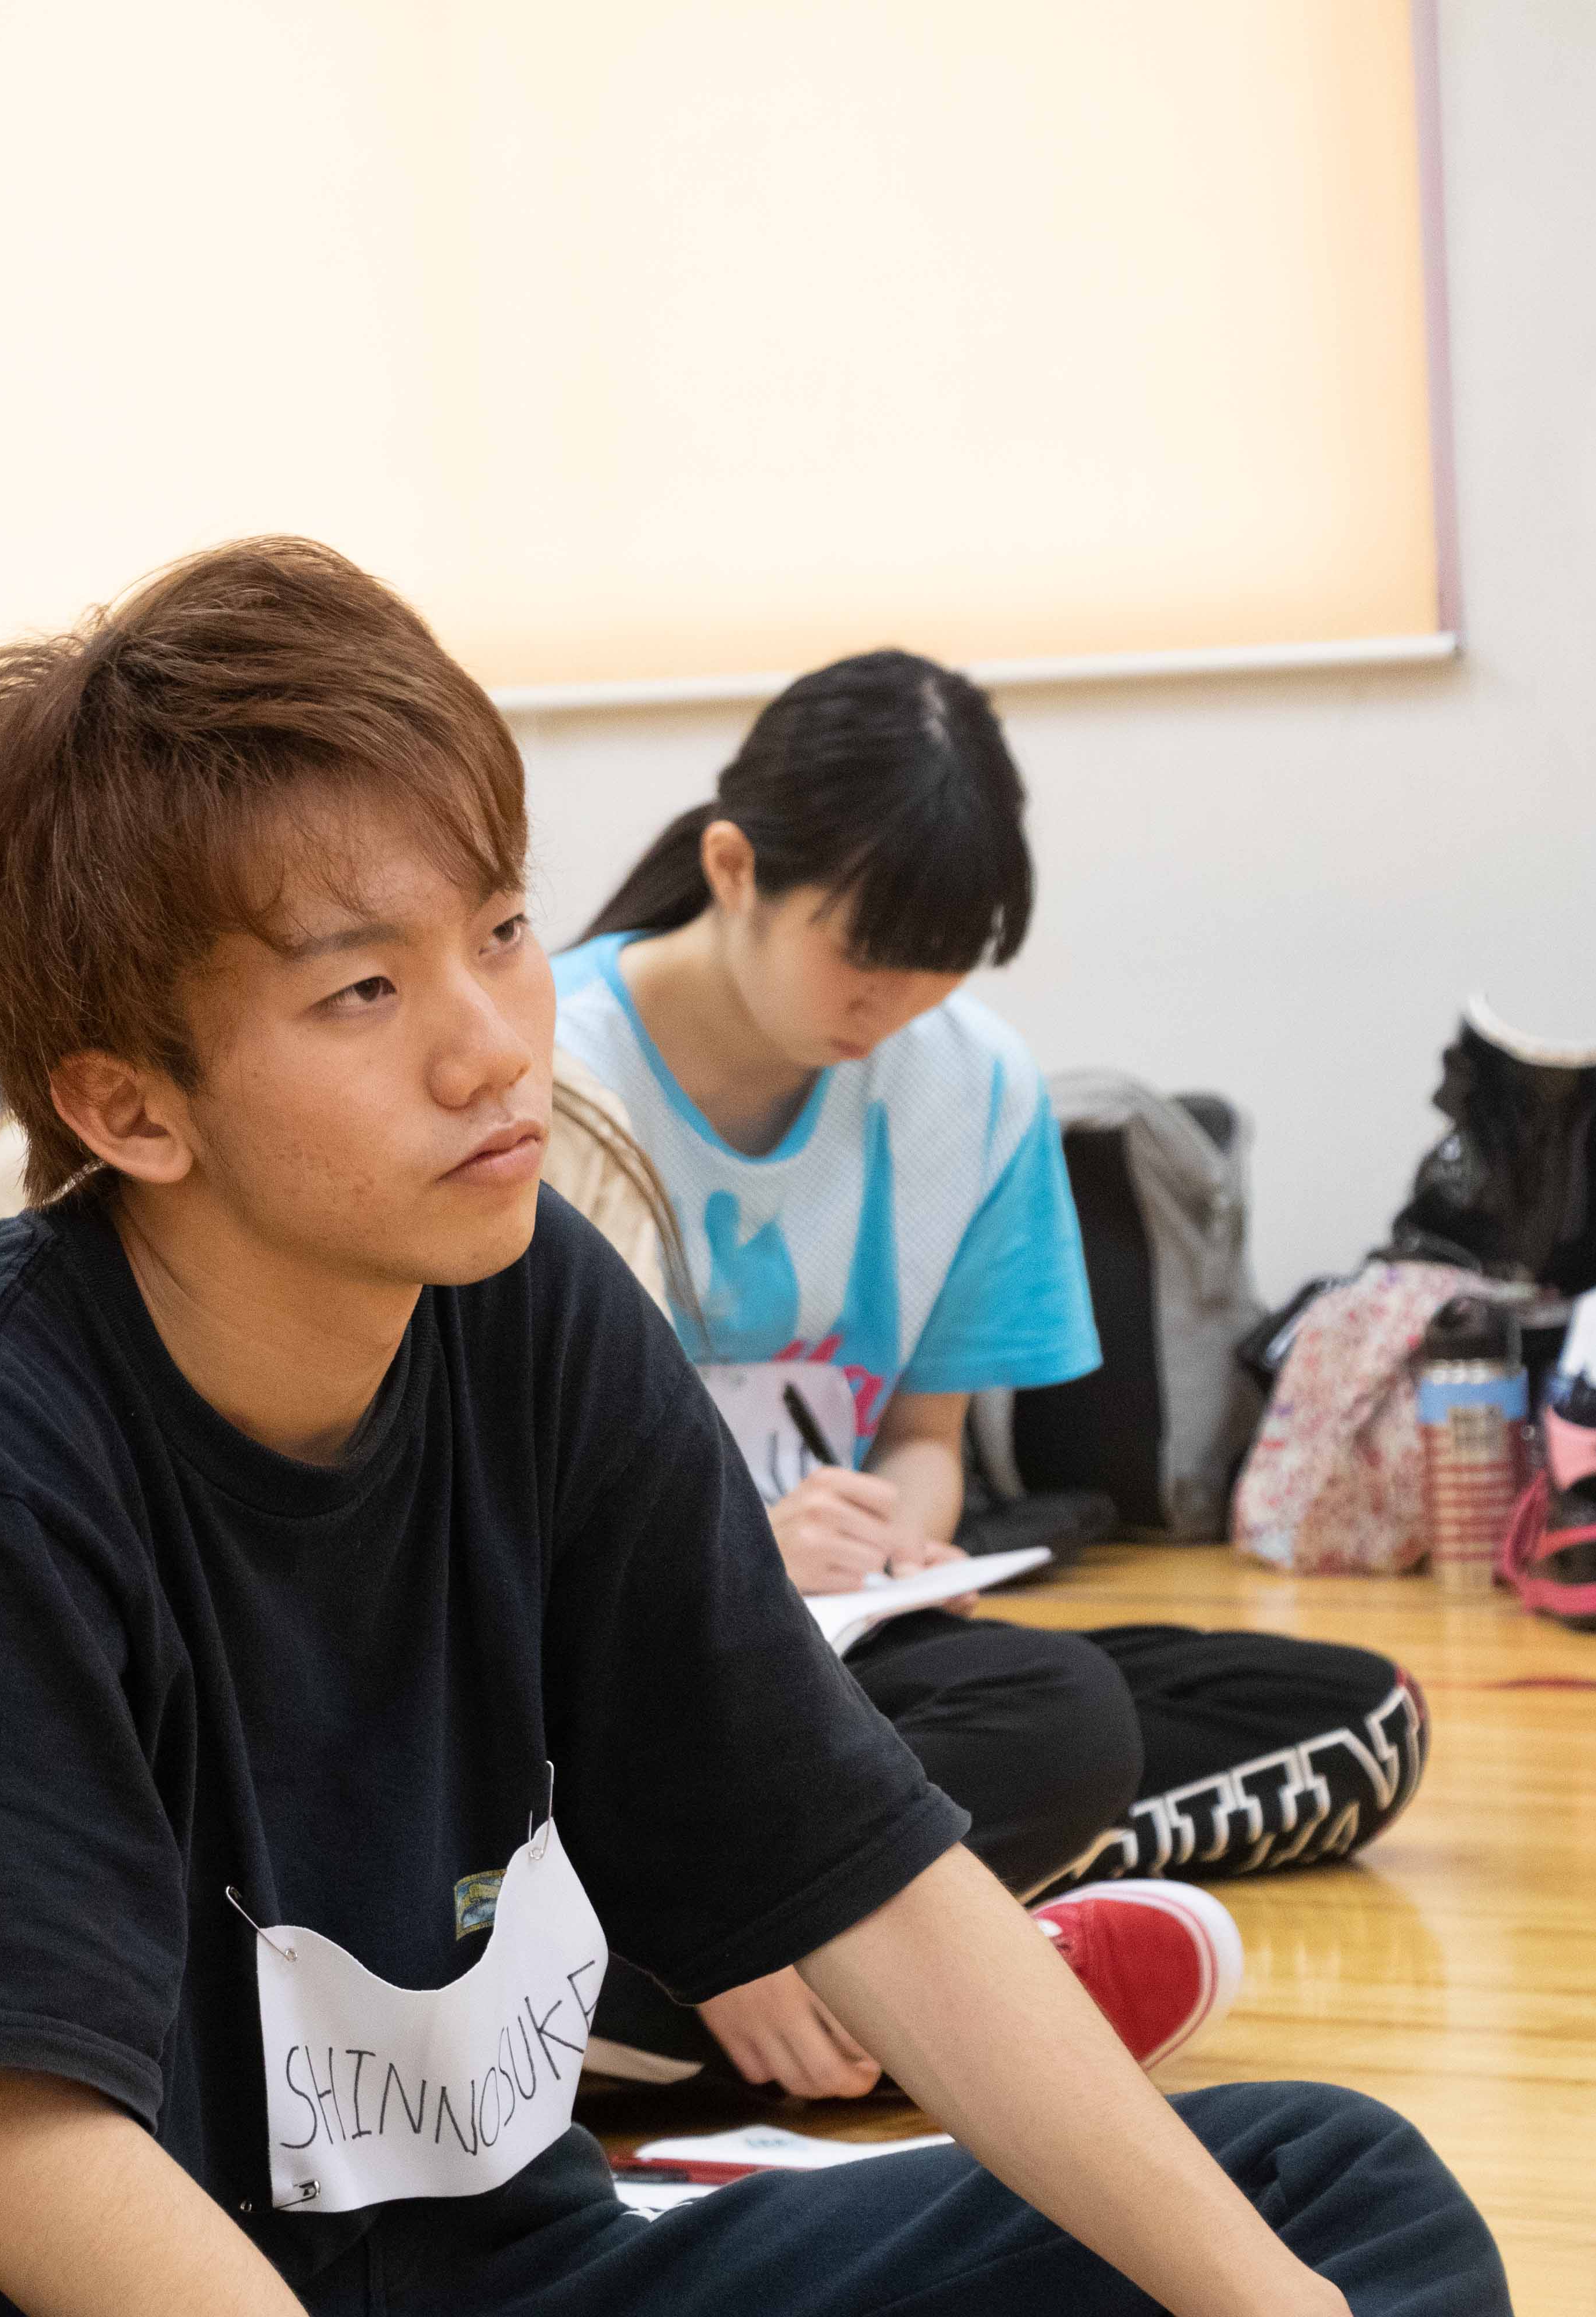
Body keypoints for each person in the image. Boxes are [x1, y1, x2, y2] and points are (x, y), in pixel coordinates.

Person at [0, 538, 1507, 2315]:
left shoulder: (525, 1307)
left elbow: (870, 1879)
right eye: (364, 990)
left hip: (486, 2272)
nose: (493, 1046)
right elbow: (39, 2174)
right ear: (126, 1106)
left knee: (1322, 2202)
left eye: (504, 931)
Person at [554, 650, 1430, 2096]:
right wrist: (743, 1552)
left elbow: (924, 1435)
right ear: (733, 867)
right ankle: (927, 1986)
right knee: (1060, 1719)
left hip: (828, 1650)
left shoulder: (971, 1083)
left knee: (1337, 1712)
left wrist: (903, 1537)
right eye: (863, 951)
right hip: (609, 1665)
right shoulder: (550, 1078)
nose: (893, 1003)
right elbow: (491, 1520)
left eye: (940, 963)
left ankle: (716, 1994)